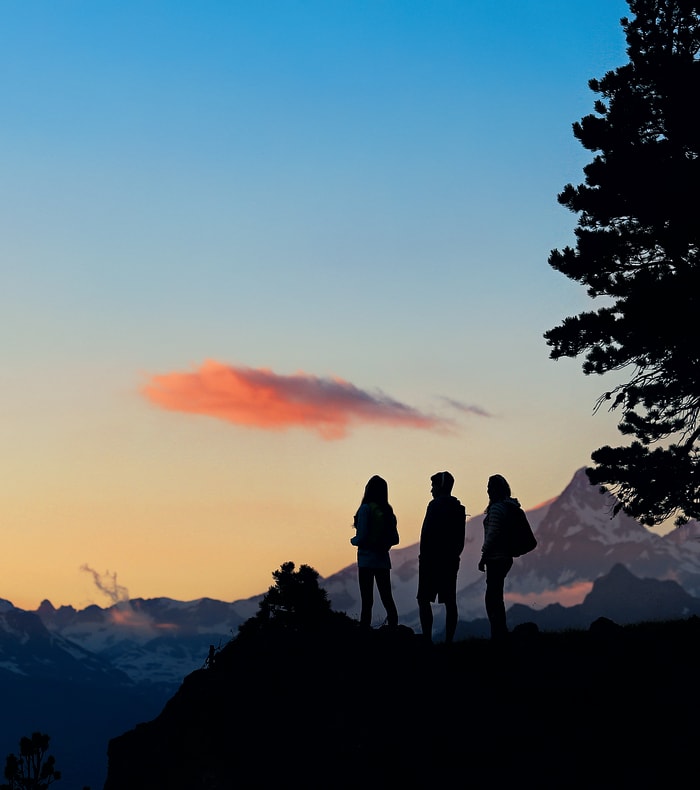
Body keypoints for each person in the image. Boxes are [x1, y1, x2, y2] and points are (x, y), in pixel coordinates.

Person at [416, 471, 466, 644]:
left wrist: (424, 557)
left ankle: (427, 640)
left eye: (433, 486)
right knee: (450, 600)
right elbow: (460, 539)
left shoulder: (434, 506)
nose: (431, 490)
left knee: (423, 599)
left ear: (440, 486)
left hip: (430, 561)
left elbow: (427, 534)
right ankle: (449, 641)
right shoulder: (458, 508)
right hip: (450, 561)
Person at [351, 475, 400, 629]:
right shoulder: (387, 510)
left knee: (367, 600)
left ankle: (364, 630)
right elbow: (395, 538)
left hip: (366, 560)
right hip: (383, 560)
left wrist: (353, 541)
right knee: (387, 597)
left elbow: (362, 536)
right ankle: (393, 628)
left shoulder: (365, 509)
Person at [479, 473, 517, 641]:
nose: (487, 490)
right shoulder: (508, 506)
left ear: (495, 489)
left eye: (489, 487)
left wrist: (483, 555)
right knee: (496, 595)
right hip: (506, 556)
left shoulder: (496, 509)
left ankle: (498, 632)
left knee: (492, 597)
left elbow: (493, 533)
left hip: (496, 557)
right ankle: (500, 630)